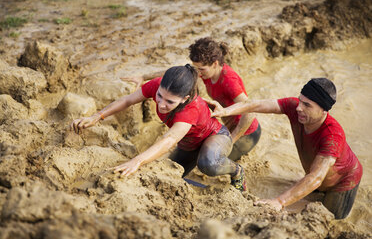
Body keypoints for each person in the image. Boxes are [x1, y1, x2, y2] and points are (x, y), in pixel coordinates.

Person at [70, 64, 246, 191]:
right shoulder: (158, 85)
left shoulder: (190, 110)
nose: (161, 104)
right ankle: (206, 191)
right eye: (159, 96)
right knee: (170, 176)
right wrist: (97, 116)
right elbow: (127, 100)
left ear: (184, 98)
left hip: (215, 136)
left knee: (208, 164)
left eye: (170, 102)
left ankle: (237, 171)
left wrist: (137, 160)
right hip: (189, 142)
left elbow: (168, 140)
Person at [211, 78, 363, 219]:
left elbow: (316, 177)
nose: (298, 108)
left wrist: (279, 201)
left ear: (324, 111)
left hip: (343, 181)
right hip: (316, 174)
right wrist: (225, 111)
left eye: (307, 105)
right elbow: (256, 105)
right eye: (300, 101)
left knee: (329, 219)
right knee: (308, 193)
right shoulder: (295, 108)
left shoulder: (332, 136)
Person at [121, 37, 261, 164]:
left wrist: (232, 139)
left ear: (215, 63)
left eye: (201, 69)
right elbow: (179, 74)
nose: (198, 73)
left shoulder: (228, 81)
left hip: (246, 133)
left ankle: (238, 180)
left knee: (211, 163)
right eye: (196, 68)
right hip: (228, 127)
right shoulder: (208, 72)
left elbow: (250, 111)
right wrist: (144, 76)